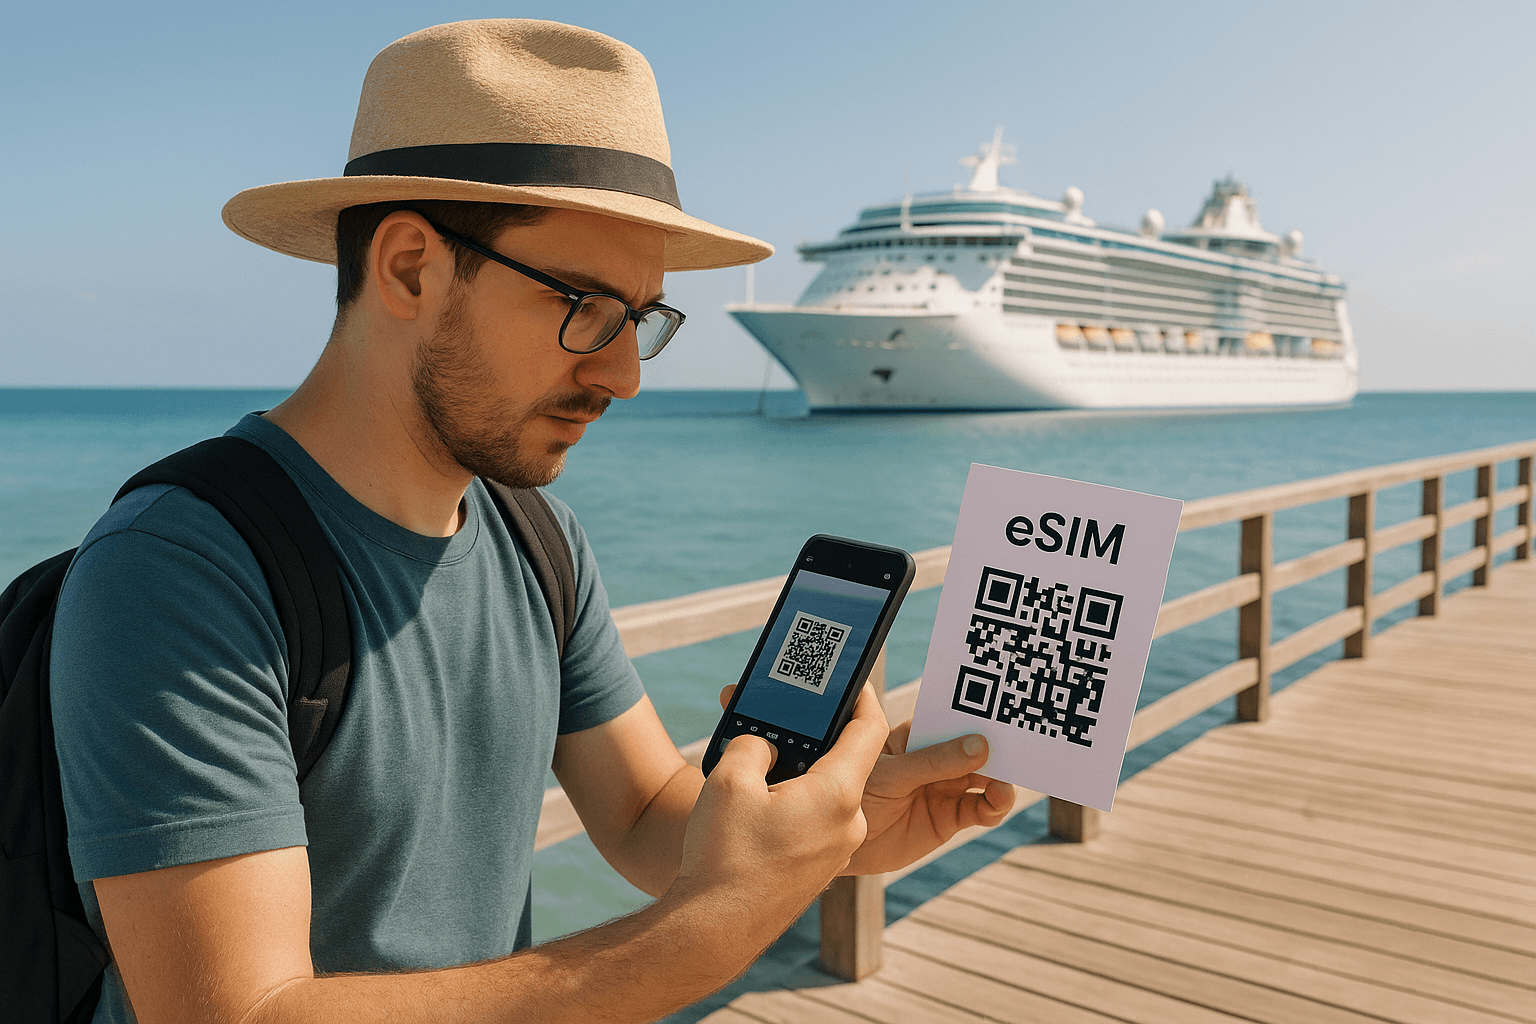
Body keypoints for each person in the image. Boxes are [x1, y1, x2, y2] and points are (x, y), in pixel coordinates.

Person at [49, 19, 1015, 1024]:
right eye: (587, 305)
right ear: (413, 267)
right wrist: (707, 930)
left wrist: (837, 828)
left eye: (641, 317)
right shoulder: (178, 569)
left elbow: (647, 815)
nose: (627, 375)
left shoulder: (536, 539)